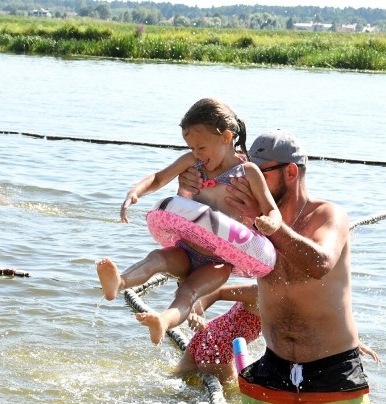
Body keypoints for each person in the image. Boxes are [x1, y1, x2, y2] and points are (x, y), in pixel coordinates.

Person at [179, 129, 382, 404]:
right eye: (246, 170)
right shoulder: (248, 217)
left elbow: (318, 263)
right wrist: (188, 188)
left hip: (331, 370)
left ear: (291, 173)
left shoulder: (327, 215)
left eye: (261, 172)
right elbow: (195, 237)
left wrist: (269, 225)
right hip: (273, 367)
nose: (248, 180)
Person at [96, 98, 282, 345]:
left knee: (188, 292)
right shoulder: (192, 162)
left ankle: (162, 321)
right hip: (186, 248)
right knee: (156, 257)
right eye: (191, 147)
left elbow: (273, 210)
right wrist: (136, 192)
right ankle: (120, 282)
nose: (196, 154)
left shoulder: (247, 172)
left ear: (226, 138)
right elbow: (159, 178)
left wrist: (269, 222)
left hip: (218, 262)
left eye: (201, 148)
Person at [177, 283, 381, 383]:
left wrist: (353, 343)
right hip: (219, 347)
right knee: (231, 396)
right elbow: (218, 292)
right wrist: (196, 313)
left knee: (177, 380)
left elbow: (316, 324)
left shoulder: (275, 298)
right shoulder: (260, 292)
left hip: (206, 335)